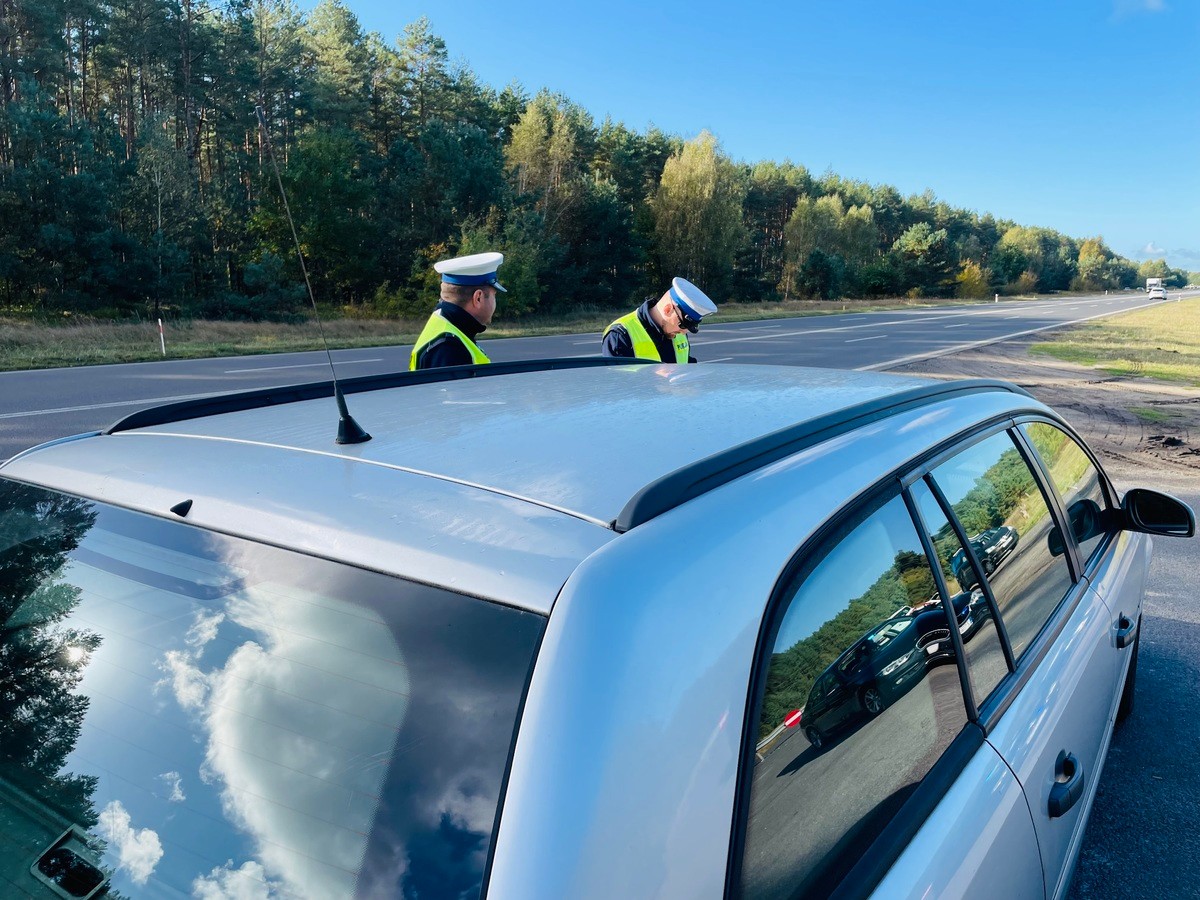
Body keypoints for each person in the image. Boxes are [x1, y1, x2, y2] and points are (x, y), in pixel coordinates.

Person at [409, 251, 505, 370]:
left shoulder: (446, 324)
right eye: (493, 295)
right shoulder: (450, 348)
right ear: (478, 298)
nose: (495, 301)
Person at [601, 277, 718, 363]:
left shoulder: (676, 330)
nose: (684, 332)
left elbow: (684, 363)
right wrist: (657, 382)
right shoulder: (620, 335)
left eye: (690, 327)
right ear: (668, 309)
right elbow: (616, 387)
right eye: (684, 324)